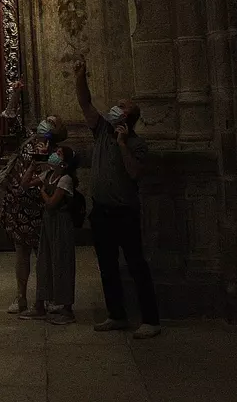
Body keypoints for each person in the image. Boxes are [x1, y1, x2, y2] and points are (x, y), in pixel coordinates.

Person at [73, 58, 161, 338]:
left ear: (128, 118)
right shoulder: (101, 131)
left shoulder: (137, 144)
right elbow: (85, 103)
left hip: (125, 212)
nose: (115, 107)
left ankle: (151, 320)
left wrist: (123, 145)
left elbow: (134, 173)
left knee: (136, 264)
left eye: (122, 106)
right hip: (102, 211)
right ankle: (117, 315)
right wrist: (80, 76)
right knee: (107, 266)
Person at [0, 116, 65, 316]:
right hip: (19, 205)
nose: (46, 123)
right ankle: (21, 297)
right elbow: (8, 117)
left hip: (42, 205)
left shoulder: (57, 152)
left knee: (44, 255)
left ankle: (47, 297)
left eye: (51, 122)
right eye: (46, 120)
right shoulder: (27, 141)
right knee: (21, 252)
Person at [30, 144, 79, 324]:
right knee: (44, 261)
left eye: (59, 154)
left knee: (62, 261)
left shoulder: (65, 179)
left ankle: (66, 308)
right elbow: (25, 184)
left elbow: (51, 203)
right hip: (48, 223)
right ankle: (41, 303)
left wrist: (42, 191)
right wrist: (32, 167)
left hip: (61, 222)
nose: (54, 155)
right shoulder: (49, 175)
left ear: (65, 163)